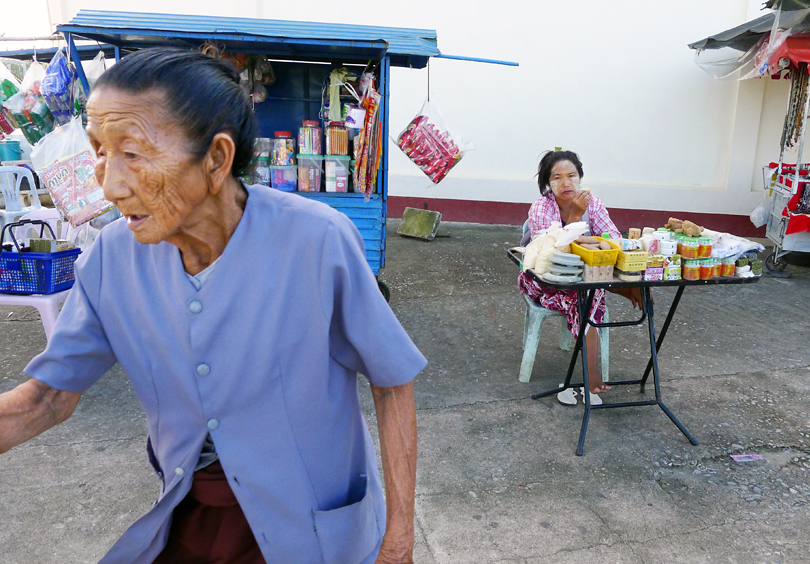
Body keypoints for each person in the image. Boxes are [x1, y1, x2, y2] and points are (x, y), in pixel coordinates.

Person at [0, 47, 425, 564]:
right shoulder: (110, 261)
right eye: (100, 152)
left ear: (217, 159)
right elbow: (46, 399)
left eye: (132, 153)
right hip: (191, 518)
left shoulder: (316, 242)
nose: (109, 185)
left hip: (312, 532)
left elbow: (392, 380)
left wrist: (398, 543)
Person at [518, 150, 641, 404]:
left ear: (580, 177)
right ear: (547, 183)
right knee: (585, 297)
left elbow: (612, 238)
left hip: (584, 277)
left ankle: (621, 288)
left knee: (589, 291)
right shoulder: (541, 207)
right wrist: (575, 218)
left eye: (572, 175)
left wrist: (590, 239)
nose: (566, 183)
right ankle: (592, 374)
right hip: (543, 280)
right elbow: (550, 251)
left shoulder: (592, 203)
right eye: (557, 177)